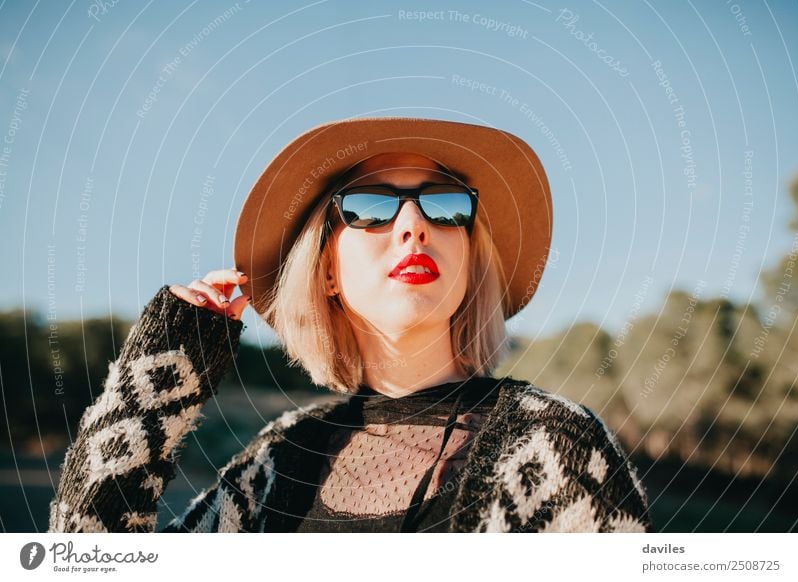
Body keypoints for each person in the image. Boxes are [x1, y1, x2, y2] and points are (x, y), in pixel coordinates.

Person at [48, 117, 653, 533]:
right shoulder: (277, 459)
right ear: (327, 270)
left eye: (444, 203)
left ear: (469, 259)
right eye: (370, 205)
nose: (414, 224)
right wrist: (162, 372)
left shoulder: (554, 445)